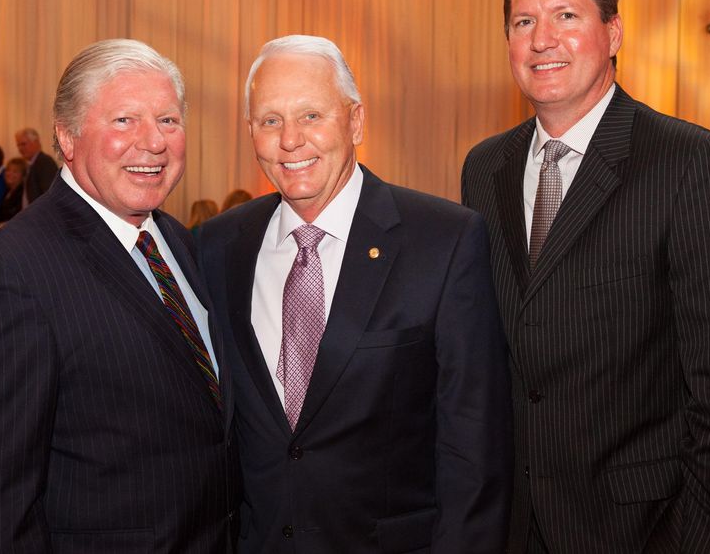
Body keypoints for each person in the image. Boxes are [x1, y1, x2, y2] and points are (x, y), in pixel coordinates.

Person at [460, 0, 710, 552]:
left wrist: (706, 541)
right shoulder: (485, 168)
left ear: (612, 33)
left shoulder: (692, 163)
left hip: (644, 530)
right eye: (523, 20)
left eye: (566, 16)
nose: (542, 38)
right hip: (511, 524)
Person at [198, 35, 512, 553]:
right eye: (270, 120)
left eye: (311, 116)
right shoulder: (217, 246)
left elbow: (475, 450)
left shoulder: (444, 241)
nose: (290, 140)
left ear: (356, 122)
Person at [0, 39, 236, 553]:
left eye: (168, 120)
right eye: (124, 121)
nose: (155, 142)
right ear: (67, 137)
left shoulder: (178, 242)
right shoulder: (10, 271)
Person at [15, 126, 59, 206]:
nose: (20, 148)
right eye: (18, 145)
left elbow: (48, 195)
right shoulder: (30, 164)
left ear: (36, 142)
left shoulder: (45, 162)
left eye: (23, 144)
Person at [0, 157, 28, 223]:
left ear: (23, 175)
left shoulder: (24, 194)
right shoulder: (7, 191)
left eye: (15, 171)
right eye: (8, 170)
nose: (9, 173)